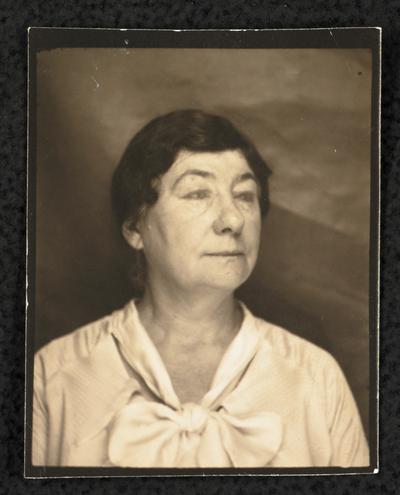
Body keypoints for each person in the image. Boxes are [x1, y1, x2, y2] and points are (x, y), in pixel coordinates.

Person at [32, 109, 369, 468]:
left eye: (244, 195)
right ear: (135, 227)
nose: (233, 220)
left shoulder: (316, 378)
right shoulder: (54, 376)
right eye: (197, 193)